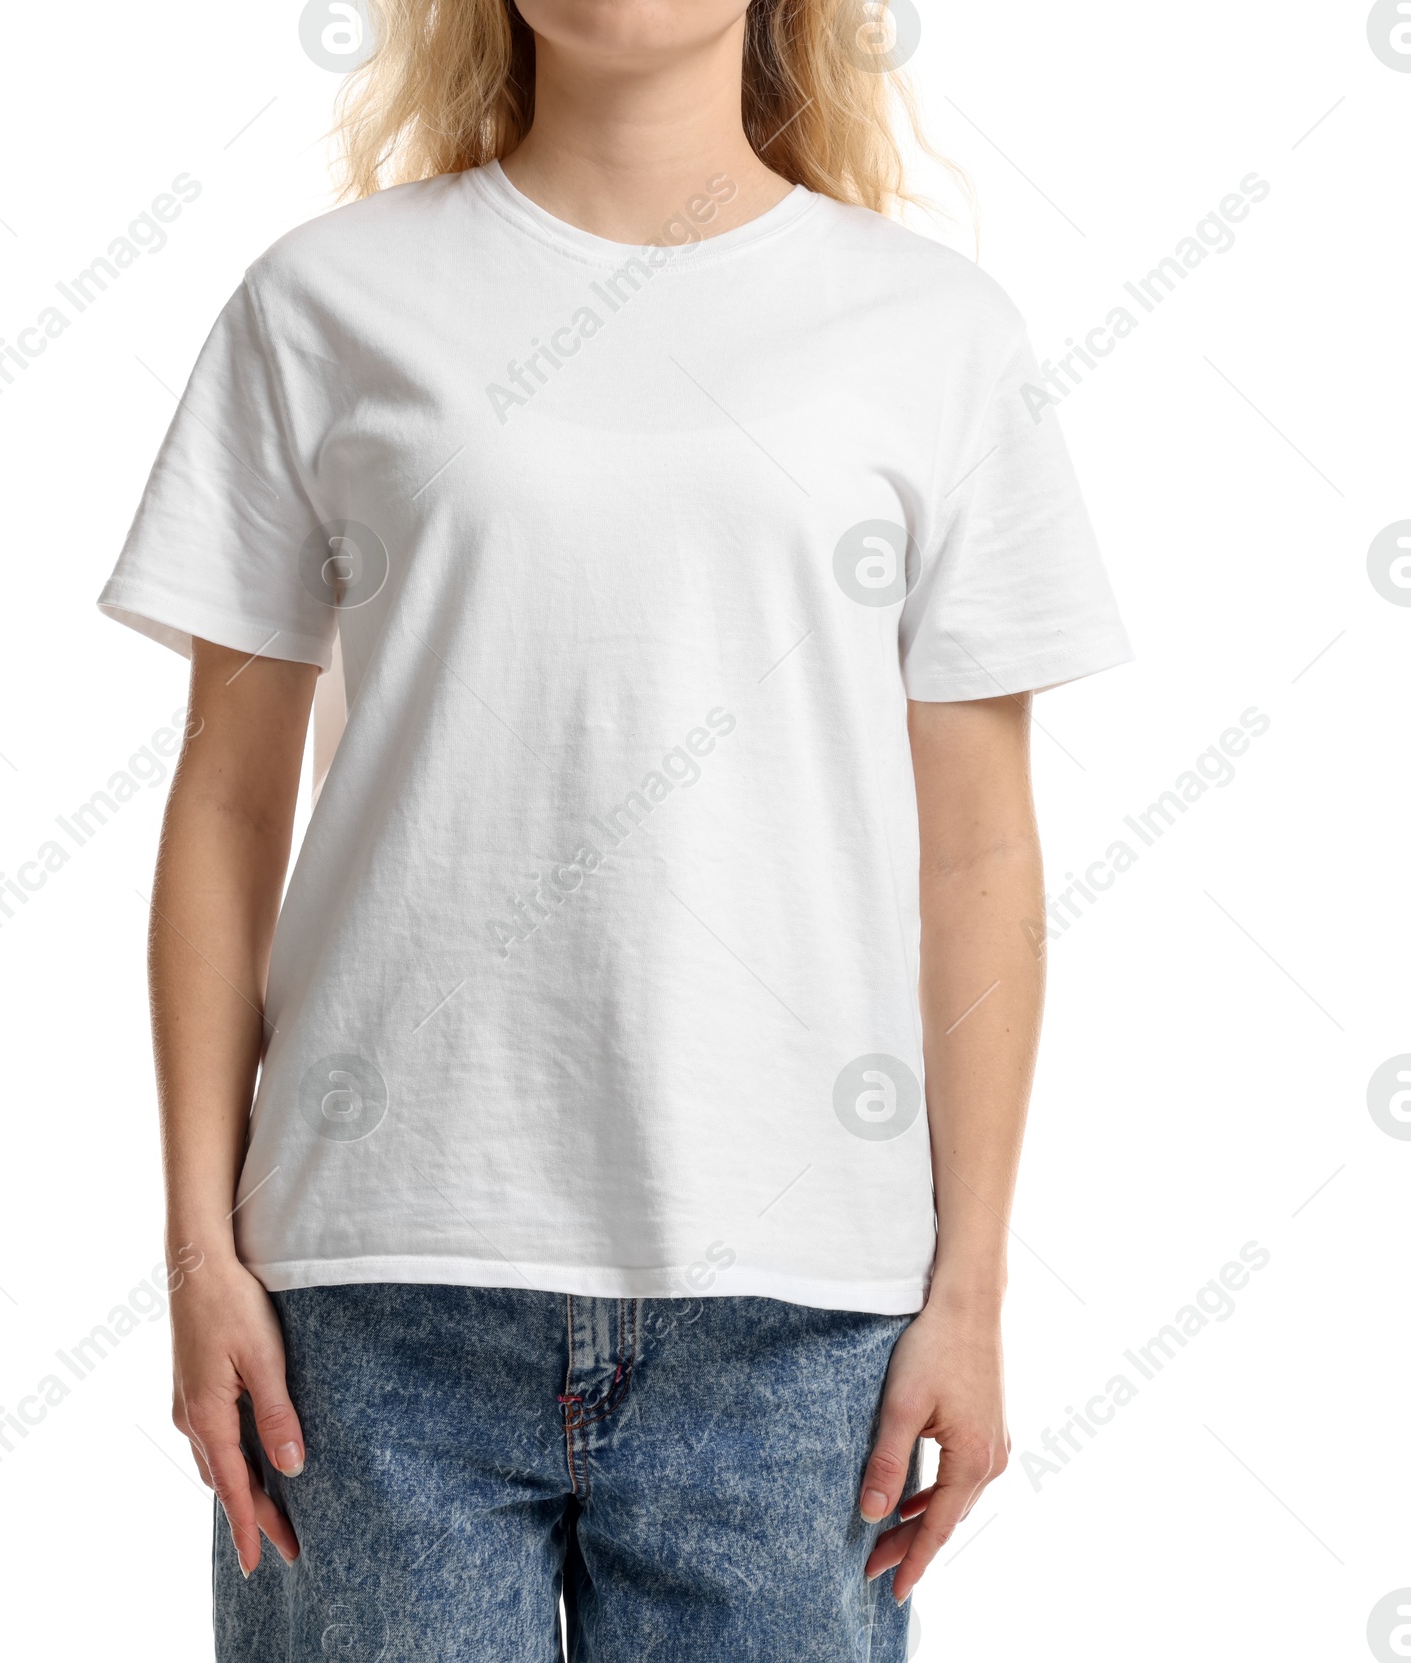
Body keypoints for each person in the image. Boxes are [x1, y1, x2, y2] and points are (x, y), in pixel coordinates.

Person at [98, 2, 1131, 1657]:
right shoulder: (323, 301)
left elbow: (984, 853)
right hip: (369, 1307)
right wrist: (196, 1256)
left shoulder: (932, 331)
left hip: (802, 1324)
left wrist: (975, 1290)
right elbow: (225, 801)